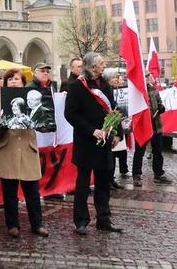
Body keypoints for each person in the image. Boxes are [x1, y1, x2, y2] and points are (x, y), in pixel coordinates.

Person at [64, 52, 123, 236]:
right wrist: (92, 130)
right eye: (101, 63)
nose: (104, 66)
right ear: (92, 67)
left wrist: (117, 134)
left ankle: (103, 219)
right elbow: (71, 114)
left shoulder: (104, 85)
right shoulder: (77, 87)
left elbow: (114, 110)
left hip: (105, 143)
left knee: (104, 182)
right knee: (83, 185)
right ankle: (81, 221)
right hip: (86, 142)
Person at [0, 68, 48, 238]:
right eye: (10, 79)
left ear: (23, 83)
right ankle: (12, 225)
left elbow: (44, 125)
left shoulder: (33, 100)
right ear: (5, 83)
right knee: (9, 193)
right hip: (8, 149)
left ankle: (37, 224)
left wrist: (43, 123)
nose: (13, 81)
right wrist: (0, 125)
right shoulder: (0, 100)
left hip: (28, 150)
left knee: (32, 192)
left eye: (17, 79)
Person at [131, 73, 173, 186]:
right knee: (140, 151)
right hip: (143, 126)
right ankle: (136, 174)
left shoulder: (154, 90)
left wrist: (161, 108)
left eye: (149, 75)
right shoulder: (137, 92)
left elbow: (159, 103)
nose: (149, 77)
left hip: (156, 125)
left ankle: (159, 173)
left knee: (157, 151)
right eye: (146, 76)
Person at [103, 69, 127, 188]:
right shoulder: (105, 90)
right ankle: (107, 180)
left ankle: (111, 179)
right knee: (109, 156)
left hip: (116, 125)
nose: (116, 80)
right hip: (108, 127)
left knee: (115, 155)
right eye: (114, 78)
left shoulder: (114, 90)